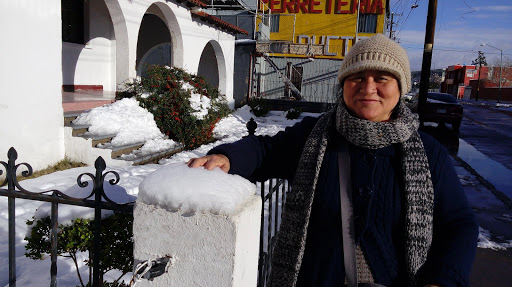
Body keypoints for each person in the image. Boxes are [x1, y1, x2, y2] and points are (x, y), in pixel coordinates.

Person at [187, 34, 478, 287]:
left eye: (382, 79)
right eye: (357, 77)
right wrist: (227, 157)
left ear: (400, 89)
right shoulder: (313, 137)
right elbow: (266, 150)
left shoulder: (429, 153)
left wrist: (442, 280)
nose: (368, 88)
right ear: (344, 84)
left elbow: (458, 224)